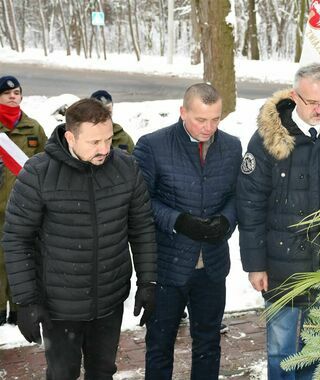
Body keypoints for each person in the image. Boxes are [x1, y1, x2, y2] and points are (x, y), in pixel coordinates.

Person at [2, 98, 157, 379]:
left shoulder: (126, 168)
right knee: (63, 373)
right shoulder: (38, 174)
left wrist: (148, 281)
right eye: (94, 142)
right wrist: (26, 300)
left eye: (109, 139)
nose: (104, 149)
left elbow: (142, 227)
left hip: (109, 299)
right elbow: (16, 239)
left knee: (103, 371)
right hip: (60, 304)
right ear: (70, 137)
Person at [237, 63, 320, 379]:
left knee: (319, 349)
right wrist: (255, 265)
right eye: (312, 103)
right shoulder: (268, 139)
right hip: (282, 266)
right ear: (295, 97)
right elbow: (250, 204)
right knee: (282, 351)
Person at [134, 83, 242, 380]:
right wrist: (178, 220)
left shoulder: (232, 146)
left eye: (216, 119)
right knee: (160, 344)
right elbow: (141, 200)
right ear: (183, 112)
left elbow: (237, 195)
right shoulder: (152, 145)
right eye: (201, 119)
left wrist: (226, 221)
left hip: (212, 265)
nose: (209, 128)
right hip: (168, 266)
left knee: (208, 342)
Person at [0, 75, 47, 326]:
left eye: (17, 92)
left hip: (25, 210)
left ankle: (20, 309)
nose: (12, 96)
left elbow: (47, 164)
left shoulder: (33, 128)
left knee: (23, 260)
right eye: (7, 93)